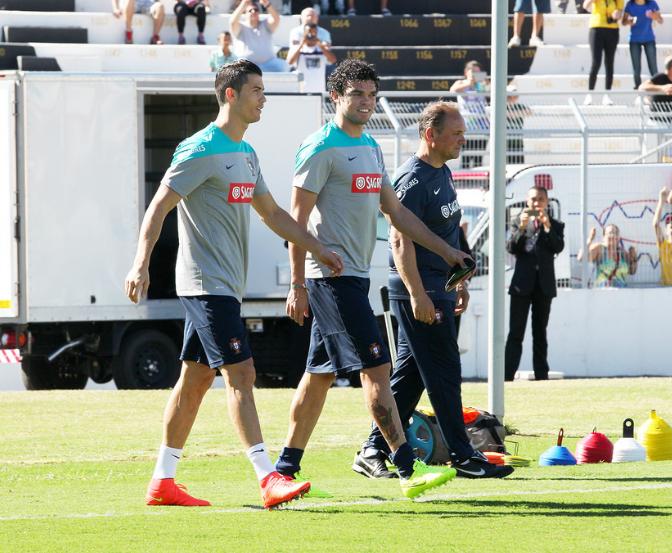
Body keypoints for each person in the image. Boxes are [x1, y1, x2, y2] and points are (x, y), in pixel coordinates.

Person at [124, 60, 344, 509]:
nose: (264, 98)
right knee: (242, 373)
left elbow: (274, 214)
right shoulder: (199, 149)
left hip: (225, 286)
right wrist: (140, 263)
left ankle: (162, 482)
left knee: (195, 381)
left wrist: (316, 247)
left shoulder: (246, 153)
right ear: (231, 95)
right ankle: (268, 478)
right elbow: (159, 207)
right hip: (205, 284)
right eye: (257, 91)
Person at [274, 59, 470, 499]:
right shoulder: (320, 147)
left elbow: (396, 213)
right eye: (356, 94)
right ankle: (404, 467)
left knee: (319, 376)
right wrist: (297, 283)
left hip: (356, 276)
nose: (365, 102)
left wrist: (446, 249)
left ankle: (284, 468)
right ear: (335, 97)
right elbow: (296, 220)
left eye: (370, 94)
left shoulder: (371, 148)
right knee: (377, 368)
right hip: (330, 278)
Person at [353, 102, 513, 481]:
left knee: (412, 374)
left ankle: (373, 447)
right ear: (431, 135)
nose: (463, 139)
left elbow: (448, 232)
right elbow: (399, 238)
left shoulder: (443, 173)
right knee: (444, 369)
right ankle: (462, 454)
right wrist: (417, 294)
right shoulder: (412, 178)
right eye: (456, 133)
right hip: (417, 288)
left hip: (438, 285)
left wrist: (459, 281)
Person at [504, 186, 565, 381]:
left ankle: (541, 375)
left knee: (540, 333)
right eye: (533, 199)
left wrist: (547, 226)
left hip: (544, 286)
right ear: (527, 202)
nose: (536, 203)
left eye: (540, 199)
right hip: (521, 285)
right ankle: (506, 376)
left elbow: (558, 246)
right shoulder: (517, 222)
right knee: (516, 333)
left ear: (547, 202)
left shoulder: (556, 225)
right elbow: (512, 247)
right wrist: (522, 228)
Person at [583, 0, 624, 106]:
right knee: (596, 62)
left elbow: (620, 12)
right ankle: (590, 94)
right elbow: (586, 6)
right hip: (596, 29)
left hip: (612, 30)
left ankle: (607, 95)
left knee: (609, 62)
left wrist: (616, 15)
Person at [450, 60, 489, 168]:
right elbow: (453, 91)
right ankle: (464, 181)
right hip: (467, 126)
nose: (476, 75)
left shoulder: (481, 85)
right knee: (466, 157)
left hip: (482, 126)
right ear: (466, 72)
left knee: (478, 158)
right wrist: (469, 82)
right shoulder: (461, 83)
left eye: (478, 72)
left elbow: (492, 91)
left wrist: (485, 83)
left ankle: (478, 182)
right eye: (473, 72)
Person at [230, 0, 286, 73]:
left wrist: (267, 4)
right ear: (245, 13)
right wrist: (243, 4)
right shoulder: (240, 26)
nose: (253, 11)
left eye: (256, 10)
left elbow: (276, 19)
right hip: (246, 66)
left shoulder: (265, 24)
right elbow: (232, 22)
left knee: (282, 67)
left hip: (268, 64)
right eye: (250, 10)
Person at [639, 55, 672, 124]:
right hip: (656, 120)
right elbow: (642, 86)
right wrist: (662, 88)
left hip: (671, 121)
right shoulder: (660, 77)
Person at [287, 23, 336, 93]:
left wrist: (320, 45)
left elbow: (333, 60)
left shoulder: (322, 48)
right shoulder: (298, 48)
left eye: (314, 32)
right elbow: (290, 62)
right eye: (309, 32)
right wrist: (302, 44)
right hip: (302, 90)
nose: (311, 35)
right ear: (304, 33)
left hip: (319, 90)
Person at [623, 0, 662, 90]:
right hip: (634, 39)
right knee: (636, 68)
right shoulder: (630, 4)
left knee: (653, 67)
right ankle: (638, 90)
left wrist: (655, 16)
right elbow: (624, 22)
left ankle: (657, 91)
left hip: (649, 39)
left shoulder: (652, 3)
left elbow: (660, 20)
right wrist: (630, 21)